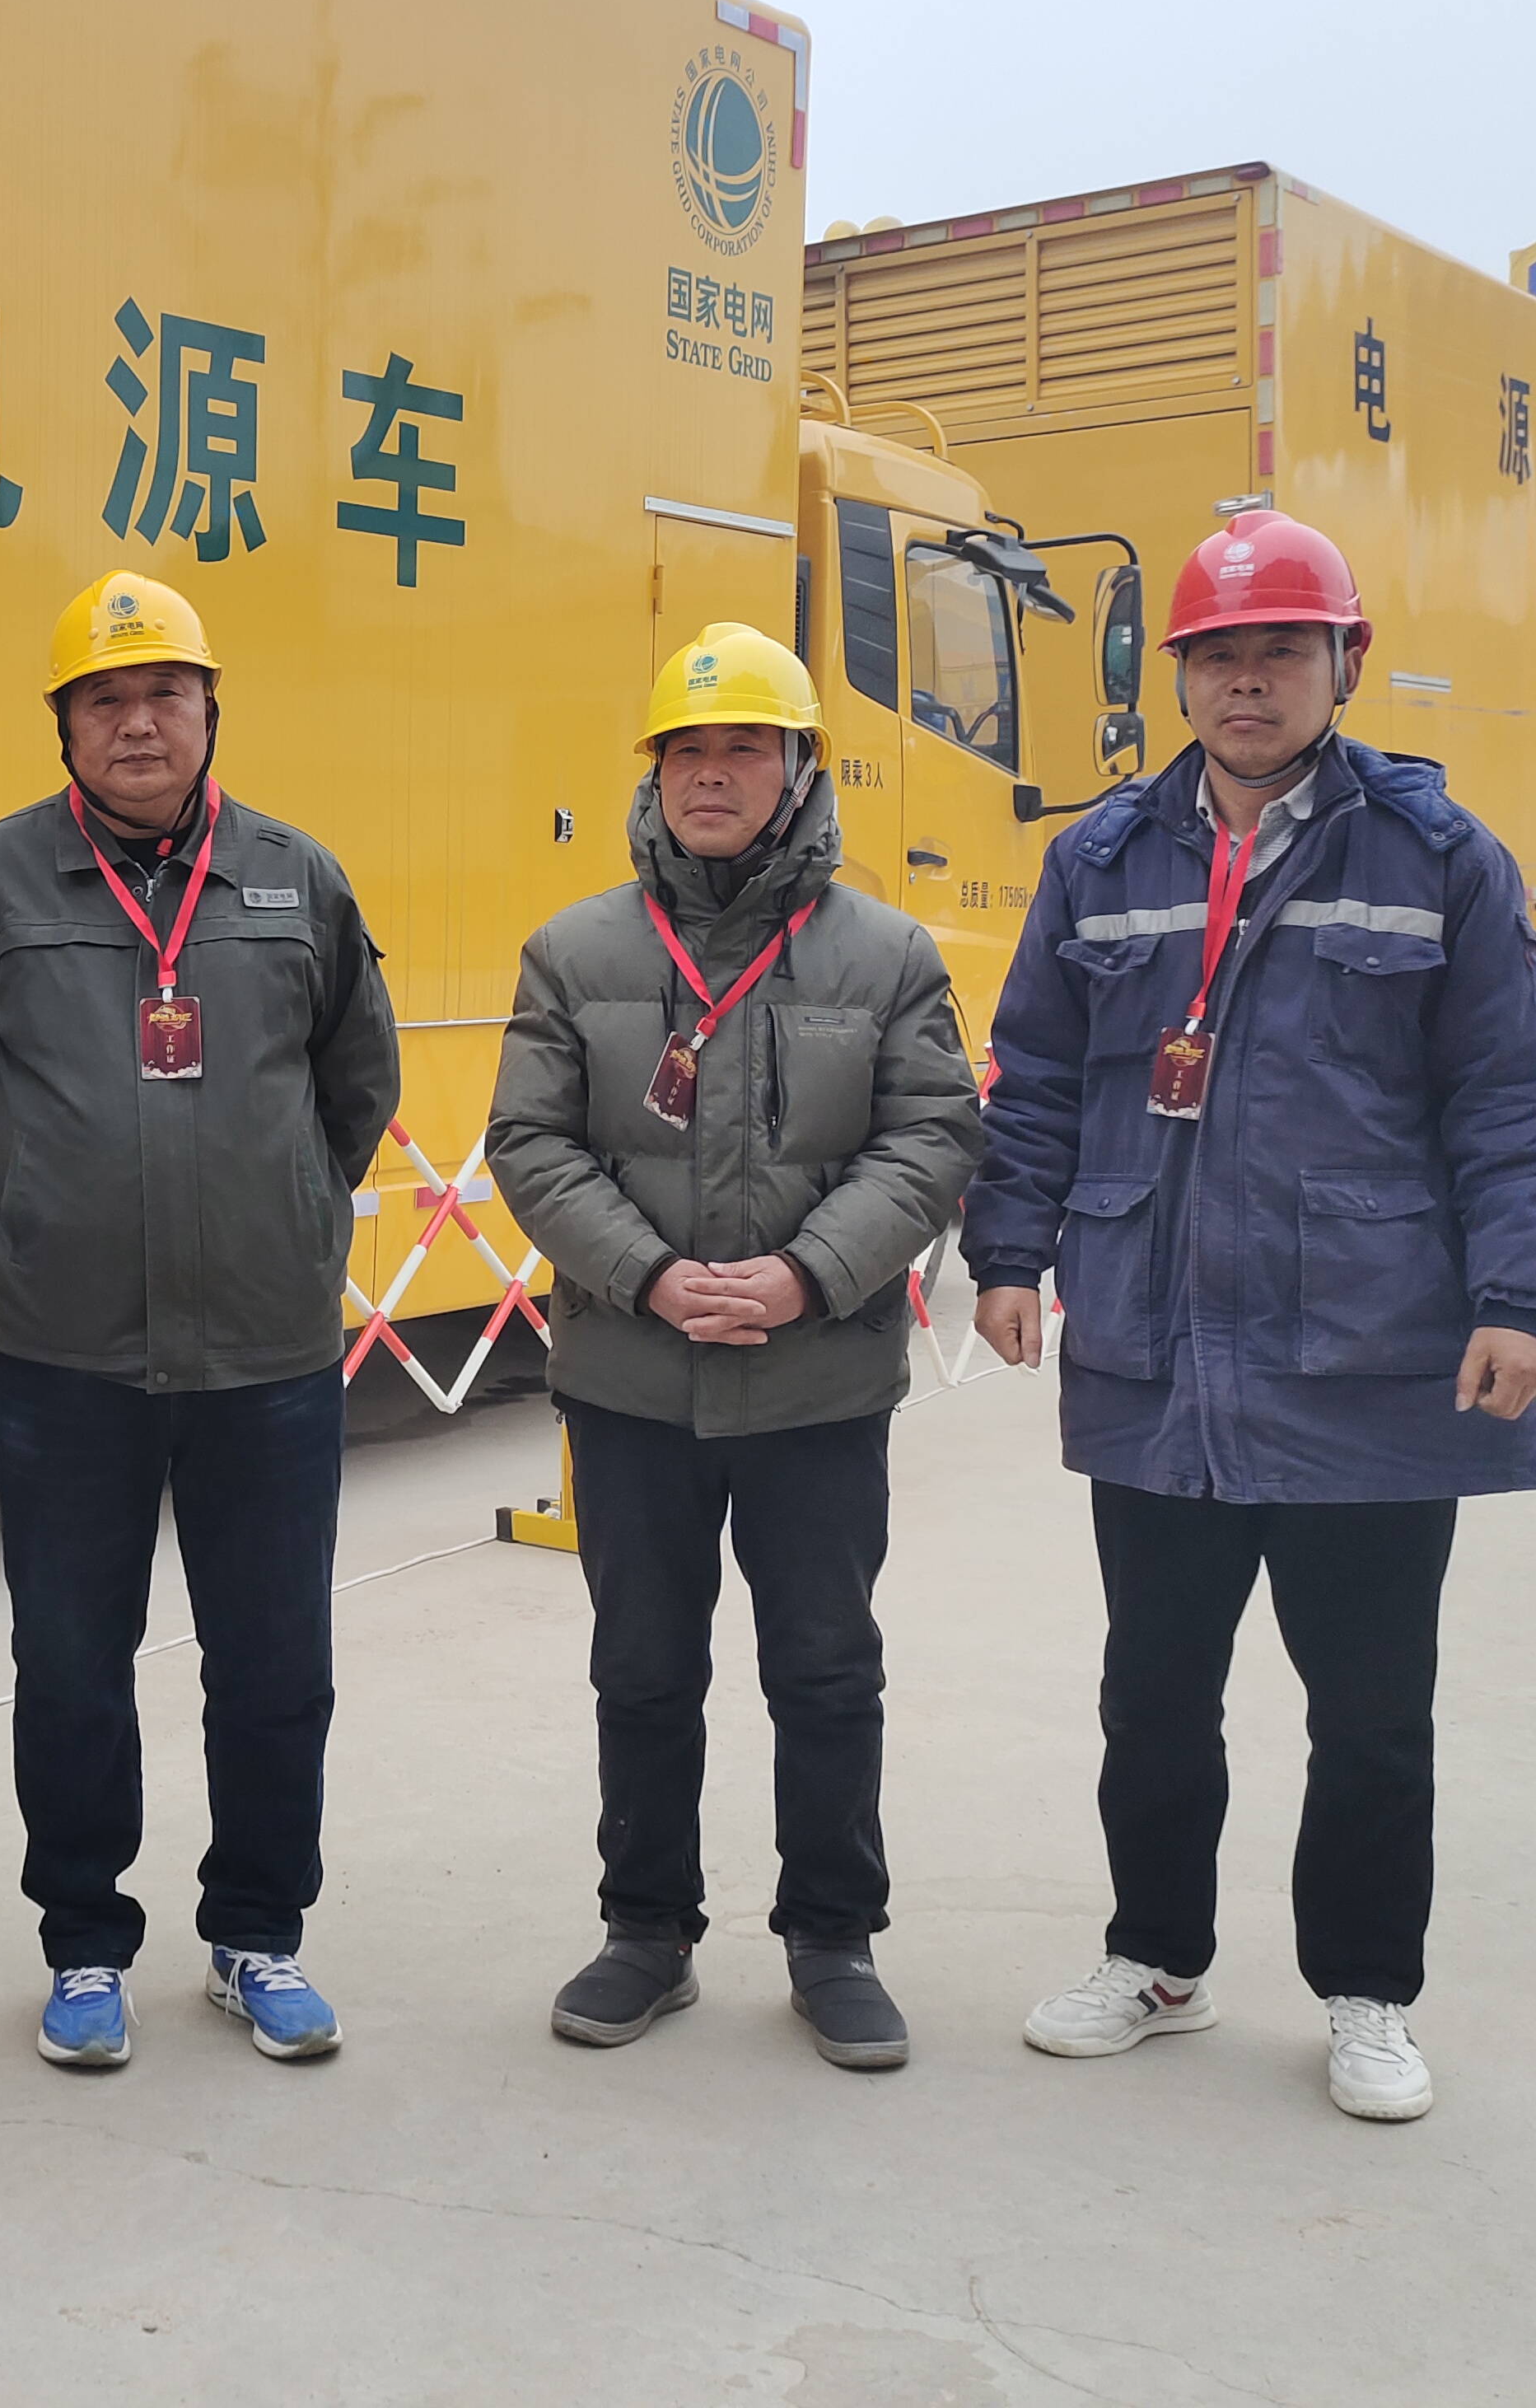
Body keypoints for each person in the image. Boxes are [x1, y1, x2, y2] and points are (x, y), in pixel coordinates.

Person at [965, 504, 1536, 2124]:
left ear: (1344, 664)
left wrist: (1522, 1297)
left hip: (1368, 1351)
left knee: (1369, 1715)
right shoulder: (1100, 860)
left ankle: (1369, 1993)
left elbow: (1508, 1100)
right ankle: (1157, 1961)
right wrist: (1008, 1254)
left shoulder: (1440, 858)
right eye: (1219, 654)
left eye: (1282, 651)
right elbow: (1036, 1078)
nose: (1249, 682)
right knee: (1154, 1697)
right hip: (1157, 1348)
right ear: (1177, 675)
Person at [0, 570, 400, 2069]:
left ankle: (258, 1935)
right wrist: (44, 1202)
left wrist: (282, 1211)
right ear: (63, 725)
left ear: (210, 712)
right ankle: (84, 1946)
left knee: (274, 1667)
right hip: (71, 1357)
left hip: (267, 1354)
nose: (137, 725)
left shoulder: (296, 878)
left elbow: (356, 1083)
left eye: (165, 696)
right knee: (69, 1665)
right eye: (105, 700)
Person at [485, 624, 980, 2070]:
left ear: (799, 769)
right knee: (642, 1671)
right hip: (630, 1383)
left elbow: (932, 1135)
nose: (712, 776)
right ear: (654, 774)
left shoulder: (885, 954)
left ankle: (834, 1940)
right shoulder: (576, 951)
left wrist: (806, 1275)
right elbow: (527, 1142)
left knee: (825, 1671)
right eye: (686, 751)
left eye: (744, 749)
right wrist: (648, 1277)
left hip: (816, 1385)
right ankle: (646, 1930)